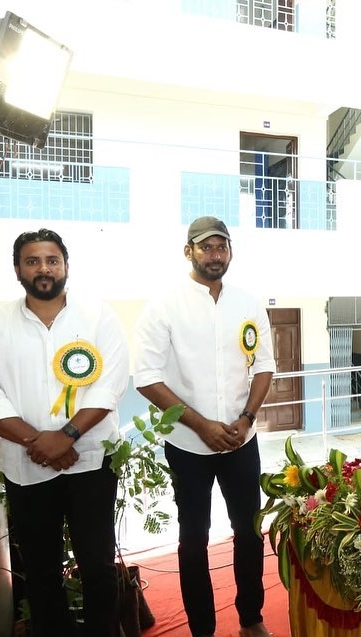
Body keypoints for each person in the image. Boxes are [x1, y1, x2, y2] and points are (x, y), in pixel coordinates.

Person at [0, 228, 129, 637]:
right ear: (18, 268)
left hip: (91, 463)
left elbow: (110, 383)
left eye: (52, 260)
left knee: (97, 566)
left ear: (66, 266)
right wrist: (40, 442)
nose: (43, 269)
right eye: (32, 261)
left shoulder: (98, 317)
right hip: (28, 469)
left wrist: (66, 435)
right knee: (40, 572)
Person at [133, 216, 275, 637]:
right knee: (193, 540)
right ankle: (203, 629)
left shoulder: (248, 303)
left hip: (240, 441)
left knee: (249, 531)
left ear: (230, 252)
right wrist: (200, 426)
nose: (215, 255)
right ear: (188, 251)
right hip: (186, 446)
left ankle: (251, 618)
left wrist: (246, 419)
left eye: (221, 247)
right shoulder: (164, 306)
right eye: (206, 247)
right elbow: (146, 377)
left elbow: (265, 365)